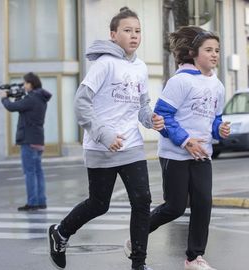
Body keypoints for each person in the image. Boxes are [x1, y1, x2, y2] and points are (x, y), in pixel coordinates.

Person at [47, 7, 164, 270]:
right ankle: (61, 232)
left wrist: (152, 119)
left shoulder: (141, 67)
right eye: (127, 30)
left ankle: (139, 263)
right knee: (99, 204)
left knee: (142, 200)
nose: (134, 36)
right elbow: (80, 104)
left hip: (132, 145)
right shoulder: (104, 64)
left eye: (137, 31)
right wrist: (103, 133)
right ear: (113, 35)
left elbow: (142, 107)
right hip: (102, 146)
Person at [127, 26, 230, 270]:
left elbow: (214, 119)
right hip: (175, 154)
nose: (214, 54)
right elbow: (162, 118)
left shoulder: (218, 85)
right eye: (208, 50)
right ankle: (137, 238)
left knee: (203, 203)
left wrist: (220, 129)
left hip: (202, 154)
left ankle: (194, 258)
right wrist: (186, 140)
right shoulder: (180, 82)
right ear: (193, 53)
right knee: (174, 207)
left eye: (217, 50)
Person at [0, 72, 52, 211]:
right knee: (38, 172)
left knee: (30, 172)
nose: (24, 85)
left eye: (25, 83)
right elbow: (22, 105)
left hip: (28, 140)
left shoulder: (32, 98)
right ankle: (41, 201)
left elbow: (12, 107)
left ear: (31, 84)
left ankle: (32, 203)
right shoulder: (40, 98)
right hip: (38, 139)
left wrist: (4, 98)